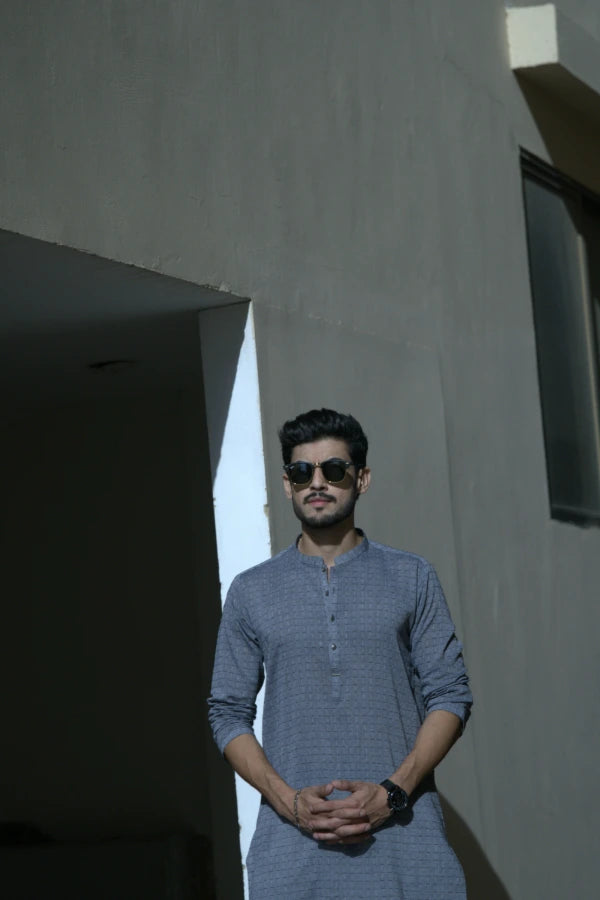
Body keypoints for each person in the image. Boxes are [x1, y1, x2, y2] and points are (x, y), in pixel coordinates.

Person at [208, 408, 472, 899]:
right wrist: (289, 803)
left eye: (333, 469)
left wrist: (392, 794)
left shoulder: (412, 577)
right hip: (292, 864)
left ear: (362, 478)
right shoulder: (251, 591)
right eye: (301, 472)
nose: (316, 483)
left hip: (409, 856)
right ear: (287, 484)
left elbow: (451, 696)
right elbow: (227, 712)